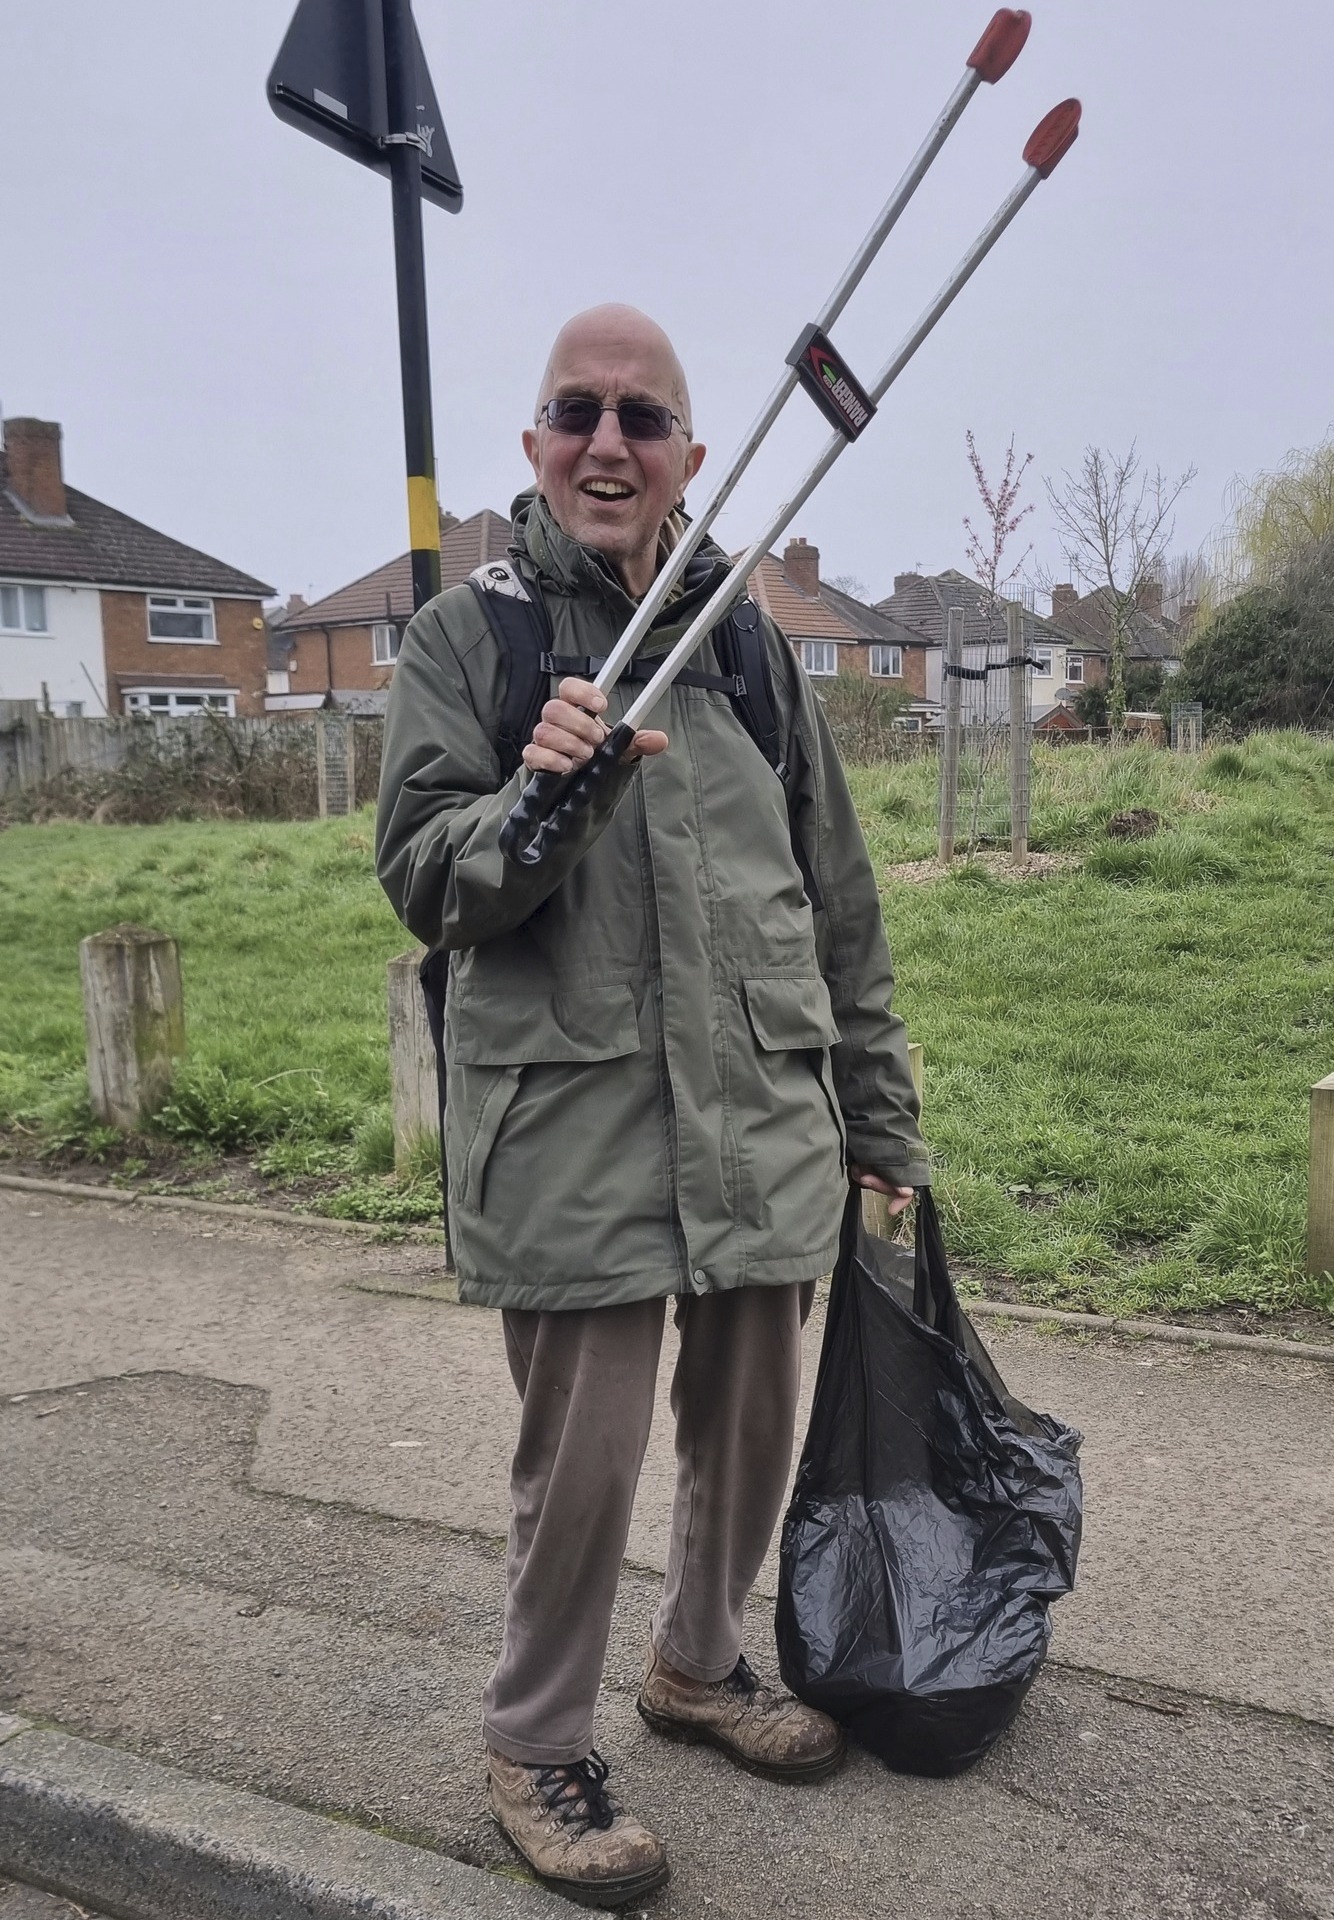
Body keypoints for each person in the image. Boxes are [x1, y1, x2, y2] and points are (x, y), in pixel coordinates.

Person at [375, 304, 927, 1909]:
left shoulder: (747, 638)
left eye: (642, 416)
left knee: (749, 1424)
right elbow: (424, 873)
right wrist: (536, 798)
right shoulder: (467, 641)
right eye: (575, 411)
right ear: (533, 445)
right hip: (573, 1116)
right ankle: (533, 1737)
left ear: (690, 448)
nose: (607, 441)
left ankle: (698, 1664)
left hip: (758, 1103)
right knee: (588, 1457)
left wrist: (882, 1121)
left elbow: (840, 900)